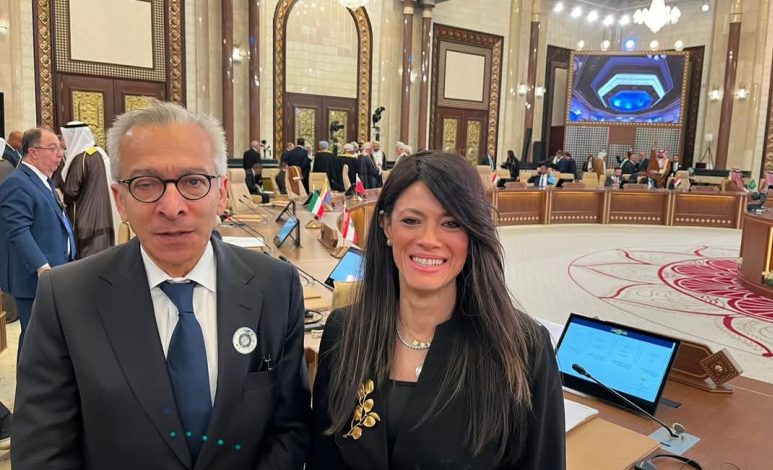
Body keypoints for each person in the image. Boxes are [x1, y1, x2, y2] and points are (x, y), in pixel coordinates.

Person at [12, 101, 311, 469]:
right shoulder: (66, 298)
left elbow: (290, 429)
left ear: (221, 192)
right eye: (146, 184)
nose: (172, 207)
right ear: (120, 200)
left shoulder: (276, 286)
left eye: (193, 181)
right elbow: (43, 452)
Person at [309, 151, 565, 469]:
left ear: (473, 231)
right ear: (386, 226)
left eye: (451, 223)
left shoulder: (524, 349)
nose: (429, 240)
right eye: (411, 221)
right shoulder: (344, 330)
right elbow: (323, 459)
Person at [0, 128, 76, 354]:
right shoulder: (17, 182)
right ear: (33, 152)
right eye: (53, 149)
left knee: (46, 337)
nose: (59, 154)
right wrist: (42, 267)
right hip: (35, 277)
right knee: (34, 338)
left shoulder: (43, 180)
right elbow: (18, 231)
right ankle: (28, 376)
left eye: (60, 148)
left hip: (54, 271)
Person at [59, 121, 119, 258]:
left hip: (85, 218)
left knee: (86, 259)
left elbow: (71, 191)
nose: (64, 142)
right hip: (104, 215)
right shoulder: (98, 153)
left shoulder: (81, 158)